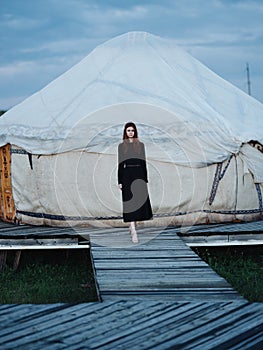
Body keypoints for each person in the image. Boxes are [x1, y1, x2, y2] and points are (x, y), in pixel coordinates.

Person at [118, 122, 153, 243]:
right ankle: (133, 230)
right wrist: (120, 180)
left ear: (135, 132)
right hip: (127, 175)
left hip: (139, 174)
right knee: (130, 202)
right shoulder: (121, 146)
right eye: (128, 130)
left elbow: (143, 162)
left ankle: (133, 225)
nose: (130, 132)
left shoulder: (141, 145)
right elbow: (120, 164)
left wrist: (145, 178)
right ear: (125, 132)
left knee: (138, 201)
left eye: (132, 130)